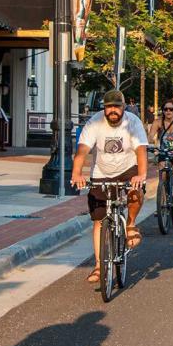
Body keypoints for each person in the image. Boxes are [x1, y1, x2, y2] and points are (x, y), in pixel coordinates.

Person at [70, 89, 149, 284]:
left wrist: (141, 174)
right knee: (99, 220)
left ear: (124, 107)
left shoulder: (133, 122)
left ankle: (130, 224)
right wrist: (76, 173)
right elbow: (82, 151)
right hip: (101, 172)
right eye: (109, 107)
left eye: (117, 106)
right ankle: (99, 266)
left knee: (135, 192)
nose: (113, 110)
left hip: (127, 168)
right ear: (104, 108)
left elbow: (141, 150)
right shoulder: (94, 123)